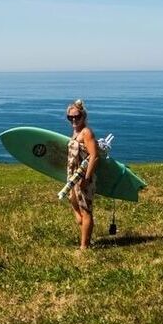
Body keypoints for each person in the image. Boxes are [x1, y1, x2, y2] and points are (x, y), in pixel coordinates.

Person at [65, 99, 100, 249]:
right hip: (73, 176)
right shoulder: (76, 131)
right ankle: (85, 236)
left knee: (86, 211)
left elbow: (94, 156)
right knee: (73, 203)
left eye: (77, 116)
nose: (74, 119)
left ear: (83, 116)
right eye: (70, 117)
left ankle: (84, 247)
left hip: (84, 176)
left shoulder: (86, 132)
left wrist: (86, 178)